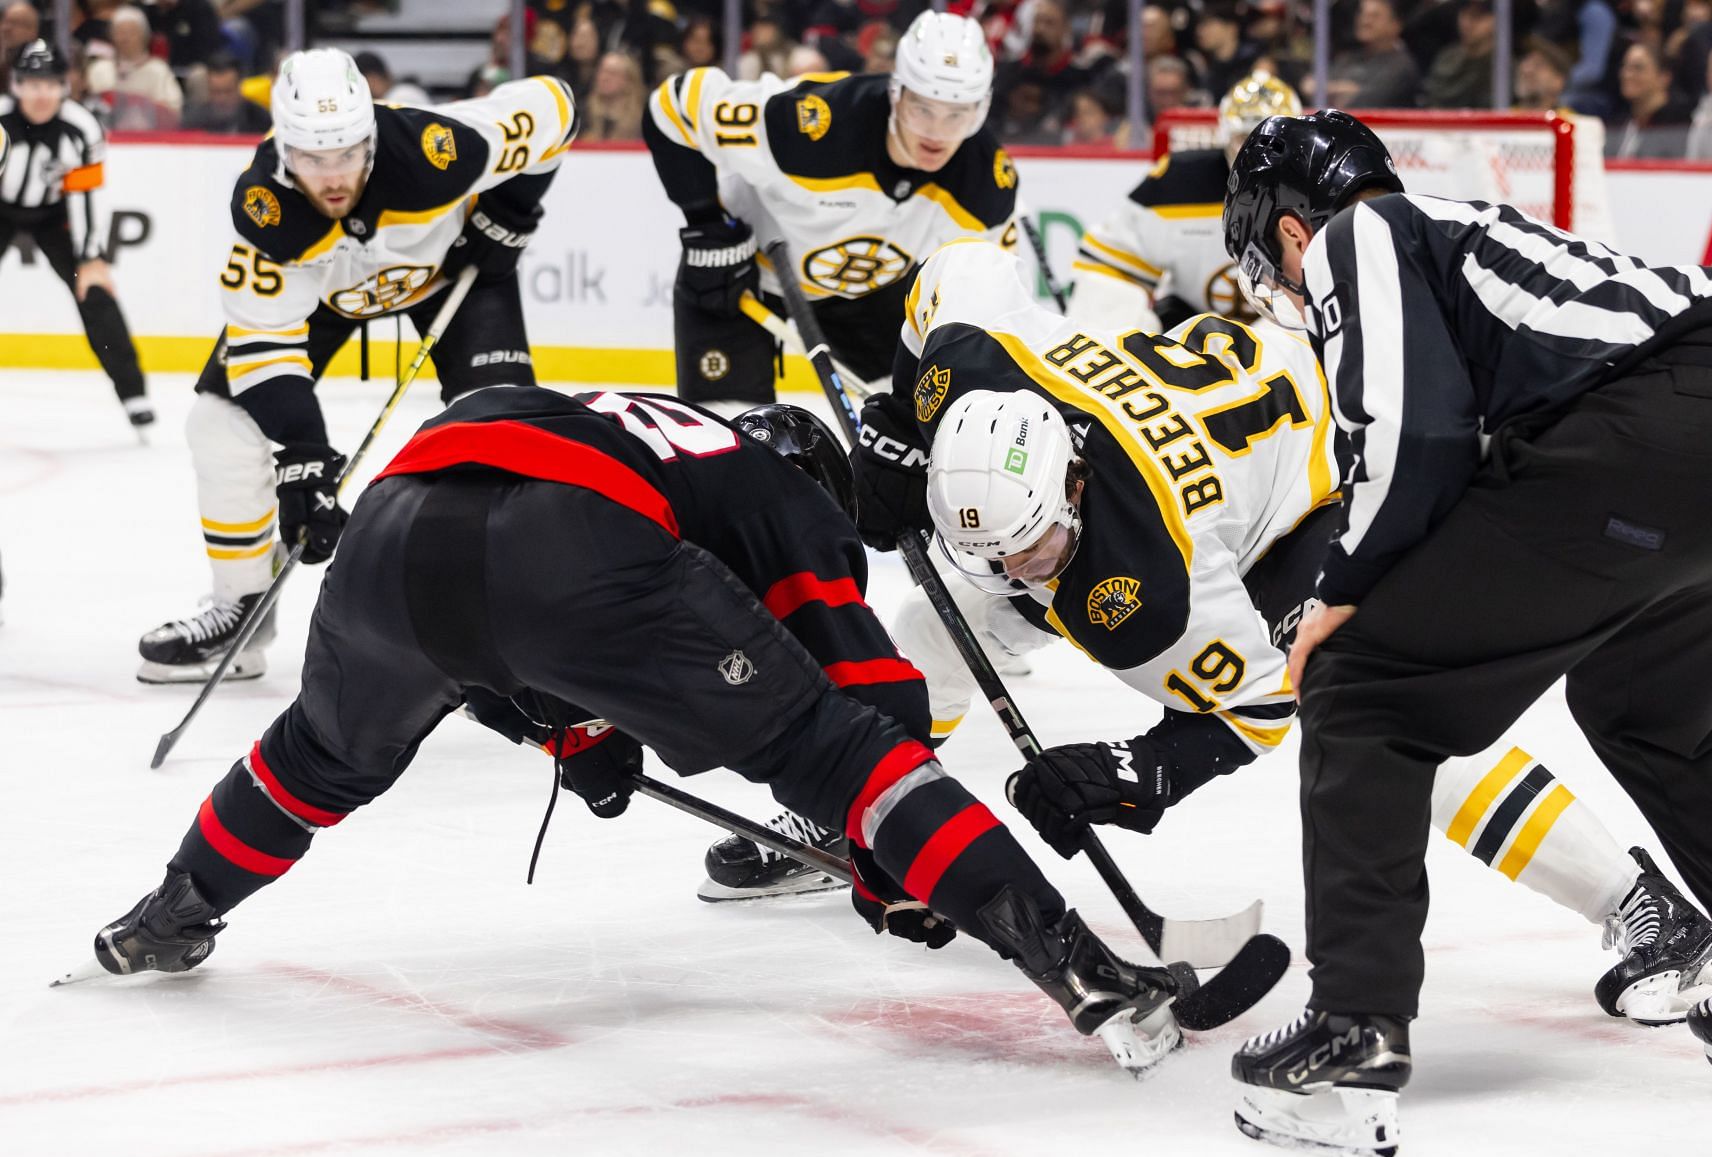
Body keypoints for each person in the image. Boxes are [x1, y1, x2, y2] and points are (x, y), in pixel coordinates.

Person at [85, 385, 1188, 1079]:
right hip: (570, 544)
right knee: (848, 753)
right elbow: (871, 699)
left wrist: (569, 732)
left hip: (393, 529)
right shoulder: (780, 493)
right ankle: (1081, 966)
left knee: (316, 757)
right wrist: (885, 859)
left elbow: (486, 627)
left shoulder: (618, 416)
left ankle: (170, 913)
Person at [860, 236, 1712, 1027]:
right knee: (934, 626)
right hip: (1240, 419)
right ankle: (866, 806)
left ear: (1075, 483)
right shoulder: (972, 375)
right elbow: (957, 263)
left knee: (1387, 719)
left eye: (1034, 546)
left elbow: (1255, 708)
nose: (1018, 570)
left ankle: (1640, 904)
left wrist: (1147, 769)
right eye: (995, 551)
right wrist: (900, 431)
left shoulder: (1154, 588)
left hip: (1334, 470)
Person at [1223, 109, 1712, 1157]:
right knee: (1655, 710)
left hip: (1657, 442)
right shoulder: (1477, 230)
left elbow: (1413, 434)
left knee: (1362, 687)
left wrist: (1342, 592)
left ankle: (1354, 1028)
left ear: (1290, 233)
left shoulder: (1358, 235)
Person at [135, 49, 578, 685]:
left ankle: (528, 623)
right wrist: (305, 459)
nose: (333, 176)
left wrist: (512, 213)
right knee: (218, 421)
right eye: (314, 160)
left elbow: (556, 107)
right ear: (285, 149)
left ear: (370, 137)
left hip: (455, 276)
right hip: (328, 297)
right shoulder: (269, 212)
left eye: (346, 153)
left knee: (505, 436)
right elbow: (265, 347)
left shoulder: (435, 150)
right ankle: (241, 612)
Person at [641, 11, 1016, 410]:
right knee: (726, 443)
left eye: (957, 115)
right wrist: (708, 228)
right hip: (739, 273)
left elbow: (992, 307)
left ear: (980, 111)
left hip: (869, 290)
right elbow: (672, 105)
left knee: (919, 427)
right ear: (897, 92)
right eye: (923, 109)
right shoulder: (810, 127)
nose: (936, 134)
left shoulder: (986, 184)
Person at [1070, 71, 1299, 337]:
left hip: (1295, 341)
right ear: (1224, 137)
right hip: (1194, 347)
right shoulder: (1178, 182)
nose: (1256, 155)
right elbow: (1109, 266)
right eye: (1243, 139)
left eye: (1272, 143)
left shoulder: (1324, 189)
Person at [0, 40, 154, 432]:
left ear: (64, 85)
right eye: (32, 84)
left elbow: (84, 198)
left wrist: (89, 259)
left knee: (96, 291)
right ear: (15, 85)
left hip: (55, 214)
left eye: (50, 83)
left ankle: (133, 392)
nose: (41, 94)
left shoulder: (81, 128)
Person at [91, 6, 183, 129]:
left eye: (131, 33)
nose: (125, 38)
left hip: (147, 140)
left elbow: (173, 115)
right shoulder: (100, 69)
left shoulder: (158, 70)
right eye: (120, 32)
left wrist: (136, 102)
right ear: (111, 36)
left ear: (145, 36)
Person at [1325, 0, 1421, 108]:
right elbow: (1312, 87)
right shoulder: (1347, 58)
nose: (1365, 21)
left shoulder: (1402, 66)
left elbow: (1366, 101)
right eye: (1362, 14)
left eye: (1375, 16)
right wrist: (1343, 89)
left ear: (1395, 25)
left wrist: (1332, 90)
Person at [1607, 40, 1693, 158]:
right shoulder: (1621, 124)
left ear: (1664, 77)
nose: (1627, 75)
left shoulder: (1679, 125)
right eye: (1625, 67)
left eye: (1638, 68)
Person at [1424, 0, 1497, 107]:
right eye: (1464, 14)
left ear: (1495, 20)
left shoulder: (1500, 69)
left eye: (1476, 17)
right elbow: (1430, 99)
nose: (1467, 24)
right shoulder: (1447, 57)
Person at [182, 51, 271, 133]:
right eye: (216, 92)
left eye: (228, 91)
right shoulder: (193, 121)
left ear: (239, 87)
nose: (222, 99)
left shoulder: (261, 121)